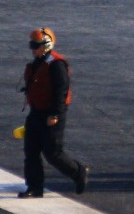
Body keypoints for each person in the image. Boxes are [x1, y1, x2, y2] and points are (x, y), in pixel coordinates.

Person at [19, 28, 89, 198]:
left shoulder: (56, 64)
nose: (33, 49)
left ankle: (78, 172)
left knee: (53, 153)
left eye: (36, 45)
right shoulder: (38, 62)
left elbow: (61, 91)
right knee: (31, 151)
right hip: (36, 112)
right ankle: (35, 187)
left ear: (46, 45)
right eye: (32, 45)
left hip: (51, 114)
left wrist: (55, 114)